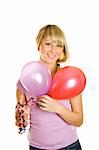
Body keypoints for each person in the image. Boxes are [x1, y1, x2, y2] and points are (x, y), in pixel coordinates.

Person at [15, 24, 83, 149]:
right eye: (48, 44)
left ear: (63, 50)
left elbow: (78, 120)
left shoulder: (70, 80)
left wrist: (58, 108)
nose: (53, 50)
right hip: (37, 147)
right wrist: (21, 116)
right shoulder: (25, 79)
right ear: (38, 44)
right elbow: (19, 118)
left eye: (59, 45)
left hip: (69, 147)